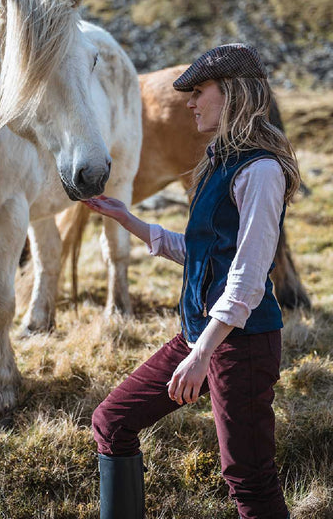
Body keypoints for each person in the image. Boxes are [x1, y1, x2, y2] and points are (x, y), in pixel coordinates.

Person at [84, 43, 299, 519]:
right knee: (111, 422)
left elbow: (246, 277)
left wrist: (202, 355)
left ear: (235, 94)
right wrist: (130, 220)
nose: (189, 102)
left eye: (200, 91)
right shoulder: (220, 162)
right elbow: (202, 254)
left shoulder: (261, 171)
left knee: (249, 481)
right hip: (200, 335)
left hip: (241, 344)